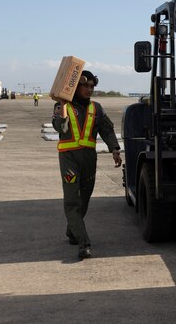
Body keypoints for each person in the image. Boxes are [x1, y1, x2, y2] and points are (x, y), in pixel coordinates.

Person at [52, 70, 122, 260]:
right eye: (85, 85)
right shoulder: (61, 106)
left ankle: (72, 230)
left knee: (85, 199)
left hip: (89, 159)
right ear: (76, 87)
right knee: (72, 200)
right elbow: (61, 127)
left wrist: (115, 149)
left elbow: (107, 130)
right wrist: (64, 104)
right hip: (69, 159)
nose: (89, 89)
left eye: (92, 86)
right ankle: (84, 243)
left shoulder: (97, 108)